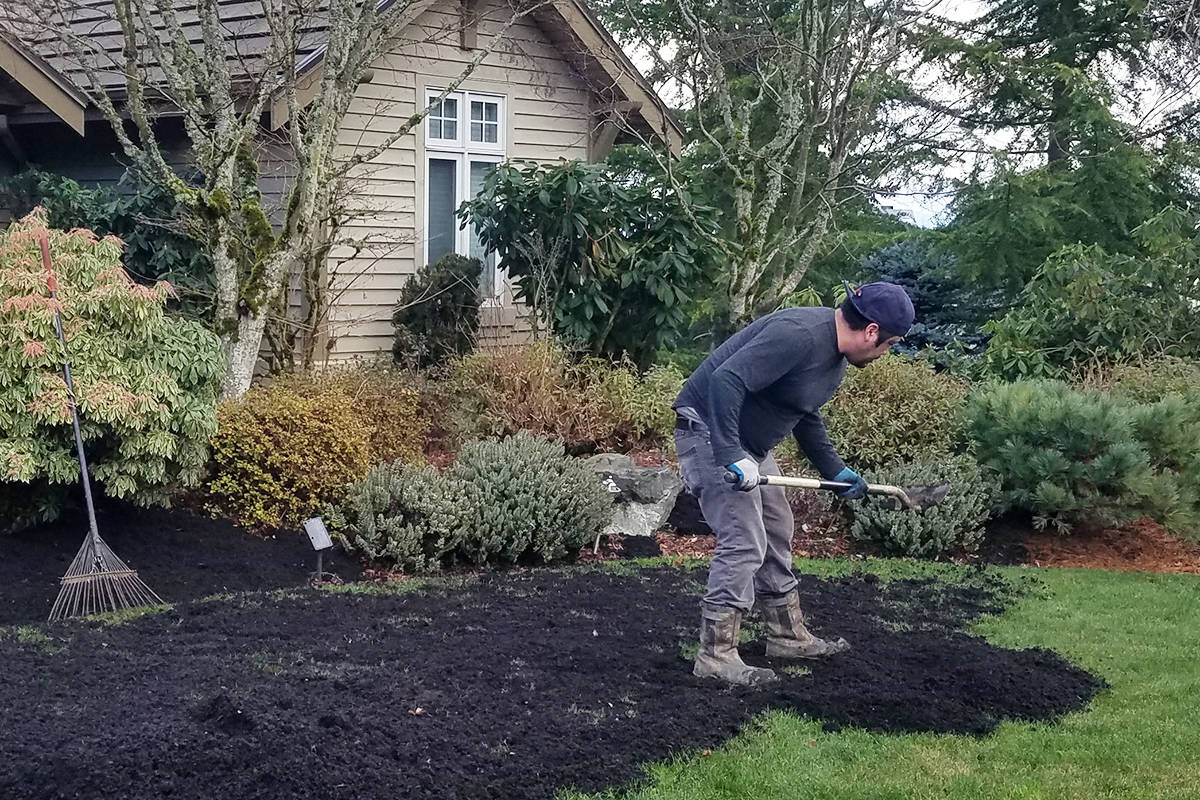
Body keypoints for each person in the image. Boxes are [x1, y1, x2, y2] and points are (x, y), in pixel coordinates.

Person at [673, 281, 915, 686]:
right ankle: (715, 655)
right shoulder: (800, 336)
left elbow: (804, 413)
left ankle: (786, 634)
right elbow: (726, 380)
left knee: (776, 528)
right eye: (889, 344)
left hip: (748, 443)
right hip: (709, 432)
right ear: (871, 331)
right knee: (744, 538)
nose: (885, 352)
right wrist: (732, 454)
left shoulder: (834, 357)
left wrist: (834, 470)